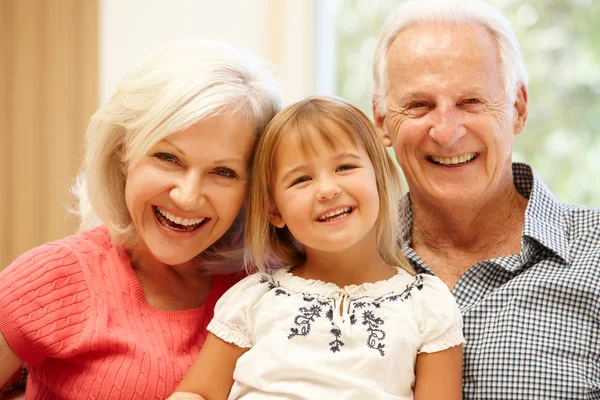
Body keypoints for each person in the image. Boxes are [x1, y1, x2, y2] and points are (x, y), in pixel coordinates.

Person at [0, 38, 281, 399]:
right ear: (124, 153)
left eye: (223, 172)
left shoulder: (270, 281)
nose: (187, 196)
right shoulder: (53, 276)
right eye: (168, 158)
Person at [371, 0, 600, 398]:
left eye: (471, 101)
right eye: (419, 105)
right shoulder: (329, 262)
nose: (446, 131)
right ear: (382, 122)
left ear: (518, 109)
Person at [168, 96, 464, 400]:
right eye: (301, 179)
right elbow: (197, 394)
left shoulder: (427, 305)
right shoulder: (253, 298)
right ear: (274, 209)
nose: (327, 190)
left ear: (378, 177)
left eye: (345, 166)